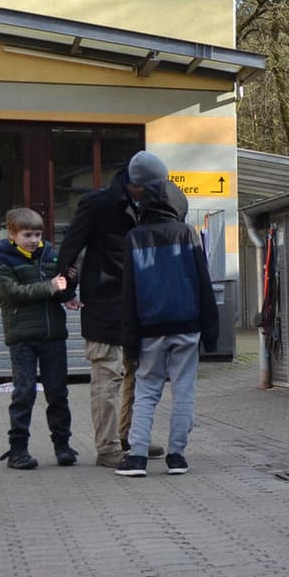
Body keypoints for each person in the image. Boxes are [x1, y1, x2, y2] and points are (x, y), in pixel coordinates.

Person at [55, 150, 188, 468]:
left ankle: (130, 437)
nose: (160, 191)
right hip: (104, 301)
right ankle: (108, 447)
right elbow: (71, 247)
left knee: (138, 374)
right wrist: (66, 290)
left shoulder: (163, 204)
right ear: (136, 183)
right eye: (154, 186)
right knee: (108, 374)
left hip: (144, 303)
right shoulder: (97, 204)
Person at [112, 152, 219, 479]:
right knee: (184, 391)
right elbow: (204, 283)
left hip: (148, 330)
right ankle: (177, 457)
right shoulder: (187, 234)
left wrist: (128, 341)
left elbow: (128, 295)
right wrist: (211, 332)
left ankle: (138, 458)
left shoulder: (133, 238)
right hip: (187, 325)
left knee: (146, 392)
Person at [0, 208, 77, 470]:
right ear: (12, 234)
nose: (33, 240)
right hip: (22, 336)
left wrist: (70, 286)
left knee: (58, 392)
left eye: (37, 234)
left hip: (53, 335)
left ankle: (63, 446)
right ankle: (18, 450)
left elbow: (59, 290)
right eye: (27, 234)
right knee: (24, 392)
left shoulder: (49, 255)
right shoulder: (2, 259)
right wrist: (50, 287)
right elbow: (12, 293)